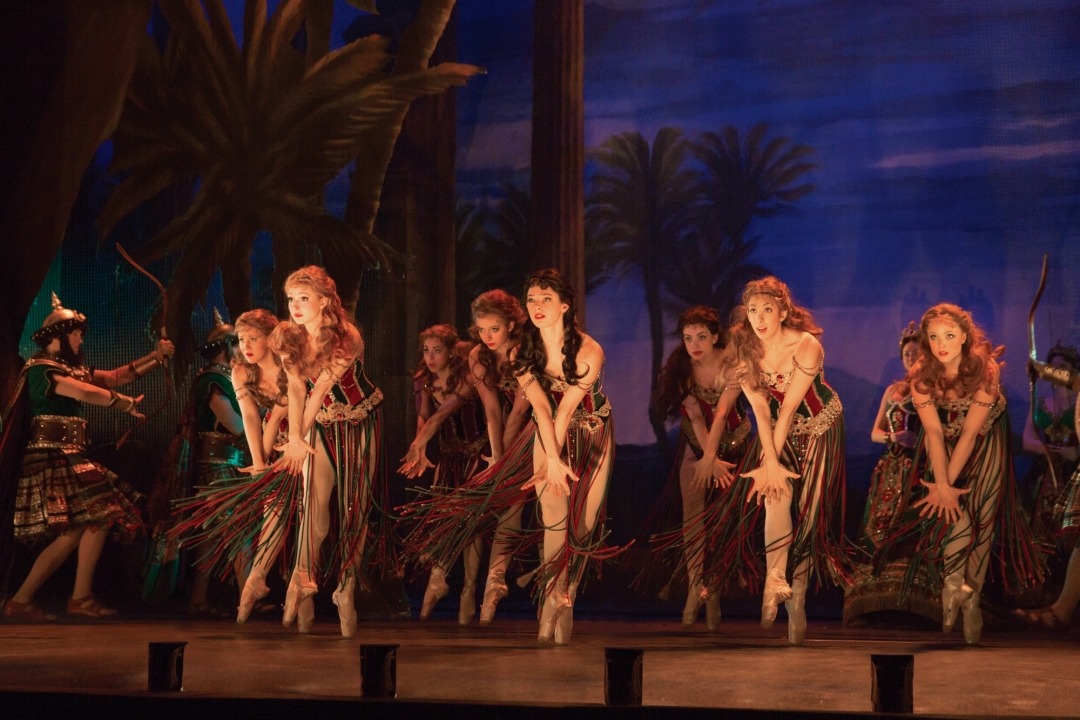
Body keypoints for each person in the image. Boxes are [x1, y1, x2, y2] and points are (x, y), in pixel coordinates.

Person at [2, 292, 174, 621]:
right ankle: (24, 599)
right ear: (58, 336)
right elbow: (81, 391)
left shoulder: (67, 369)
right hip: (51, 457)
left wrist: (155, 356)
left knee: (100, 517)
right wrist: (121, 402)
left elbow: (112, 377)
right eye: (77, 333)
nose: (81, 338)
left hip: (70, 456)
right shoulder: (41, 368)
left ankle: (78, 596)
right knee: (82, 525)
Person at [903, 302, 1044, 644]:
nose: (941, 344)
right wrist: (942, 486)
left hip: (986, 439)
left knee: (982, 519)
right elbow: (935, 434)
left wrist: (945, 485)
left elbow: (971, 433)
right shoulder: (921, 375)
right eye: (934, 337)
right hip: (948, 438)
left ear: (965, 337)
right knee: (954, 514)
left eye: (950, 335)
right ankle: (954, 583)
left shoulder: (985, 370)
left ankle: (973, 599)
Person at [727, 276, 846, 645]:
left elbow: (792, 405)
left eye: (767, 310)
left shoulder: (806, 345)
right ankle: (774, 578)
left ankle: (798, 597)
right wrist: (770, 463)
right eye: (752, 311)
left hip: (818, 426)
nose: (759, 318)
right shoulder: (744, 351)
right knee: (774, 494)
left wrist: (772, 461)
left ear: (783, 312)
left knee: (809, 513)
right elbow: (762, 412)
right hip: (777, 427)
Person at [272, 265, 386, 638]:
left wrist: (296, 438)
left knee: (356, 506)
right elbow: (294, 392)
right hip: (319, 423)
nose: (296, 306)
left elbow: (320, 389)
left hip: (358, 419)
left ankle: (347, 586)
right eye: (291, 299)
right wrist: (296, 439)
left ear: (324, 301)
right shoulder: (288, 338)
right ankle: (303, 581)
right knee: (314, 507)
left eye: (304, 298)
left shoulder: (346, 336)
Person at [647, 305, 749, 630]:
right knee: (693, 520)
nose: (695, 344)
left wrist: (717, 460)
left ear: (715, 336)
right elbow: (696, 418)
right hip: (699, 445)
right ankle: (695, 587)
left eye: (702, 337)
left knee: (723, 522)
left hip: (735, 443)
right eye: (689, 337)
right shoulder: (680, 371)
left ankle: (714, 592)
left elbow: (721, 414)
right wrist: (707, 458)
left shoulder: (732, 362)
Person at [843, 322, 939, 624]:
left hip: (917, 469)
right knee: (877, 527)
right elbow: (874, 432)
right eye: (907, 354)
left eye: (916, 353)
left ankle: (909, 602)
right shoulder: (892, 391)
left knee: (906, 529)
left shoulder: (931, 390)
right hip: (889, 468)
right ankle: (869, 601)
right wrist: (893, 438)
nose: (911, 359)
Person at [398, 325, 488, 624]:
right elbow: (424, 414)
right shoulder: (423, 378)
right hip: (448, 456)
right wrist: (420, 449)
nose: (431, 357)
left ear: (451, 351)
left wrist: (417, 443)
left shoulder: (466, 378)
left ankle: (468, 590)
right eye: (426, 350)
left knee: (469, 521)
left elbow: (440, 415)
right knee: (444, 516)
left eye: (437, 350)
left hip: (476, 454)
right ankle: (439, 577)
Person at [1014, 346, 1080, 631]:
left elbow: (1074, 380)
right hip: (1047, 475)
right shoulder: (1045, 401)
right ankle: (1060, 608)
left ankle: (1063, 609)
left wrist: (1042, 369)